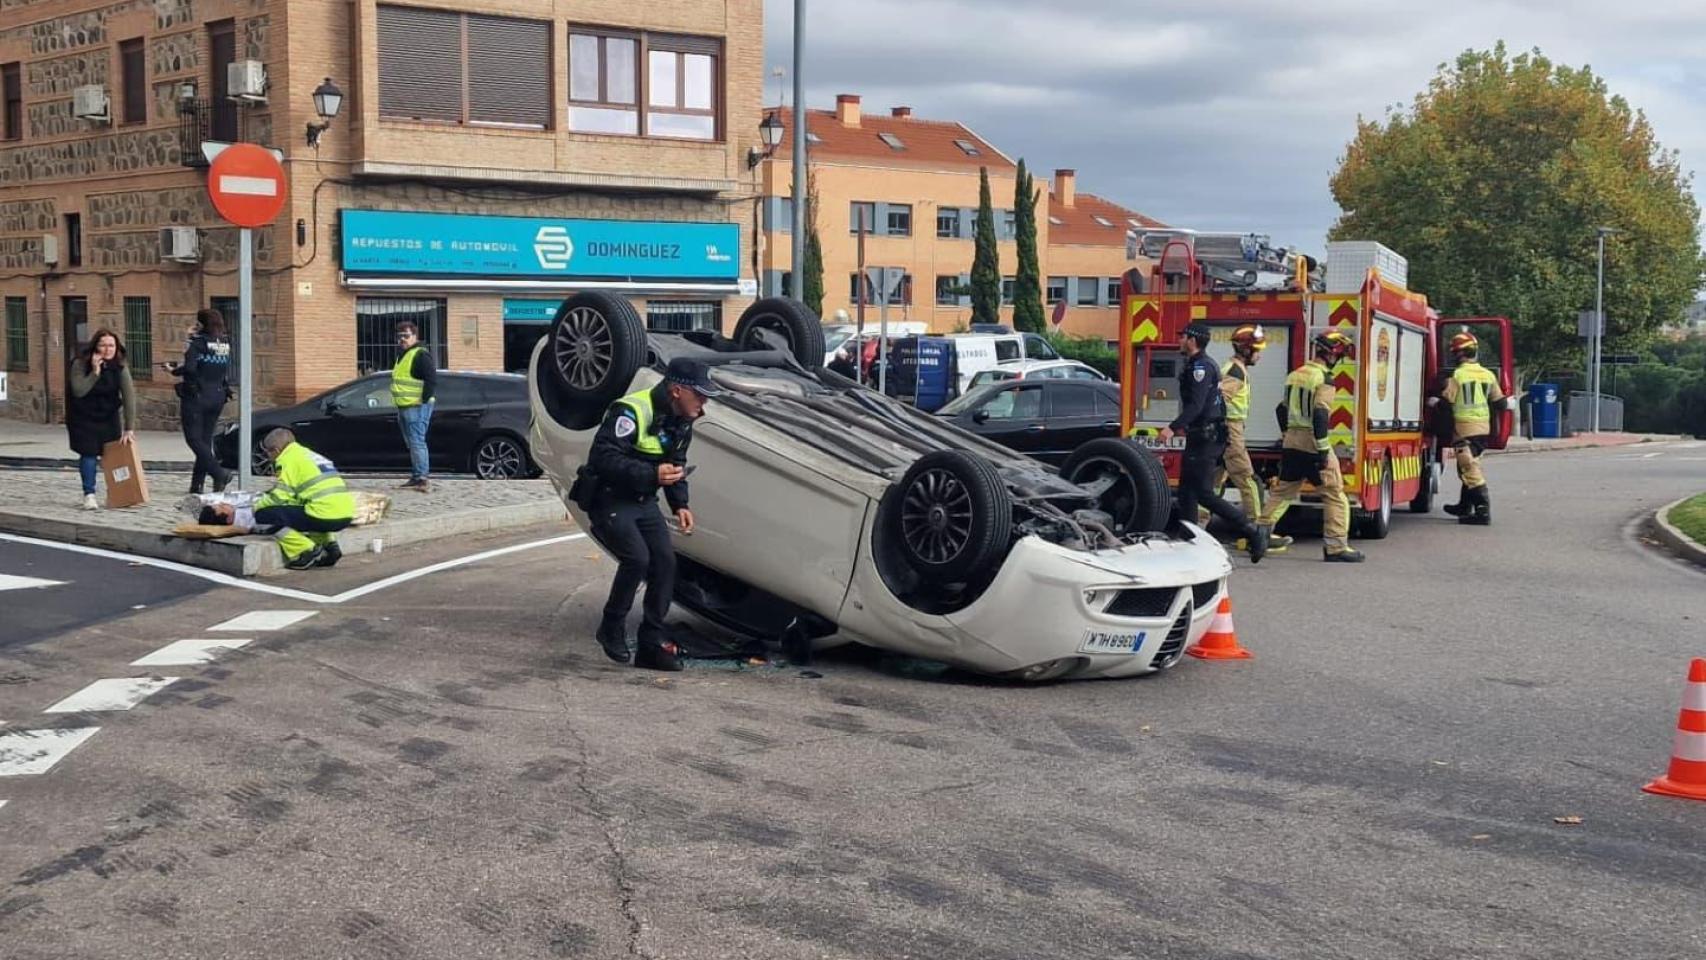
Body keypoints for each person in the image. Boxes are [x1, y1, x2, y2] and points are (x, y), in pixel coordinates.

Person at [586, 358, 719, 671]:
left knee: (664, 562)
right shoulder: (631, 411)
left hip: (643, 500)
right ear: (676, 390)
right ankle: (611, 626)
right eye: (699, 396)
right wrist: (651, 474)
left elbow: (676, 464)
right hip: (610, 497)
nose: (703, 404)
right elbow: (602, 458)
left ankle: (651, 645)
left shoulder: (683, 419)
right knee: (637, 559)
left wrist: (680, 505)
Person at [1159, 323, 1267, 563]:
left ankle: (1252, 530)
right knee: (1187, 492)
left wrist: (1171, 428)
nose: (1179, 340)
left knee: (1204, 493)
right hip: (1203, 435)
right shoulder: (1206, 366)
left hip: (1207, 437)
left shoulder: (1202, 367)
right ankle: (1188, 540)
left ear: (1193, 340)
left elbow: (1198, 405)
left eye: (1183, 336)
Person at [1257, 330, 1365, 562]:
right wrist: (1324, 450)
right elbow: (1320, 415)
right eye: (1340, 356)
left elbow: (1281, 408)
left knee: (1283, 492)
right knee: (1334, 494)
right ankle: (1336, 547)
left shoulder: (1295, 375)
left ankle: (1259, 535)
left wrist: (1287, 434)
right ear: (1333, 354)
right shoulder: (1324, 379)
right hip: (1313, 444)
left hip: (1292, 443)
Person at [207, 428, 355, 570]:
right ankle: (330, 547)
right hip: (345, 514)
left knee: (266, 515)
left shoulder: (286, 460)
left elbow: (280, 497)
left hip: (324, 514)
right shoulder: (308, 455)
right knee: (309, 511)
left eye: (268, 453)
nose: (268, 458)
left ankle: (305, 550)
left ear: (276, 451)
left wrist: (256, 508)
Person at [1212, 324, 1293, 554]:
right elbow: (1220, 400)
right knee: (1249, 481)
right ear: (1246, 350)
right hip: (1230, 431)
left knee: (1213, 484)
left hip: (1226, 430)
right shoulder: (1236, 372)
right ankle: (1258, 533)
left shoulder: (1234, 369)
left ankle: (1196, 529)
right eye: (1257, 349)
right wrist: (1226, 431)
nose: (1260, 354)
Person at [1432, 331, 1511, 526]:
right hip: (1484, 428)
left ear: (1459, 354)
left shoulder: (1458, 375)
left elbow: (1446, 401)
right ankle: (1464, 506)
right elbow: (1500, 403)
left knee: (1469, 467)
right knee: (1466, 466)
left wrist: (1433, 402)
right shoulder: (1488, 375)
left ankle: (1483, 512)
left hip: (1464, 427)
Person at [66, 328, 137, 510]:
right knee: (89, 454)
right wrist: (95, 372)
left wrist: (129, 428)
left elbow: (129, 396)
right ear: (95, 347)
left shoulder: (119, 366)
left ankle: (118, 492)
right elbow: (79, 390)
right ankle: (89, 494)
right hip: (83, 416)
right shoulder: (80, 364)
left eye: (111, 345)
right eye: (103, 345)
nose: (108, 349)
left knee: (113, 454)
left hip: (108, 415)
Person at [167, 307, 234, 494]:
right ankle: (197, 484)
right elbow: (208, 366)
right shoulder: (224, 342)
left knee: (193, 439)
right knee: (205, 441)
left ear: (202, 324)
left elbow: (190, 368)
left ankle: (218, 473)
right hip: (218, 395)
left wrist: (174, 369)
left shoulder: (197, 343)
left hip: (197, 397)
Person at [392, 321, 437, 493]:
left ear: (414, 336)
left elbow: (431, 379)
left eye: (406, 336)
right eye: (399, 336)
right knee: (412, 442)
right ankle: (417, 476)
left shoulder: (420, 355)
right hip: (404, 406)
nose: (402, 339)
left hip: (416, 406)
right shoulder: (402, 355)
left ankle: (421, 478)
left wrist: (423, 401)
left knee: (417, 441)